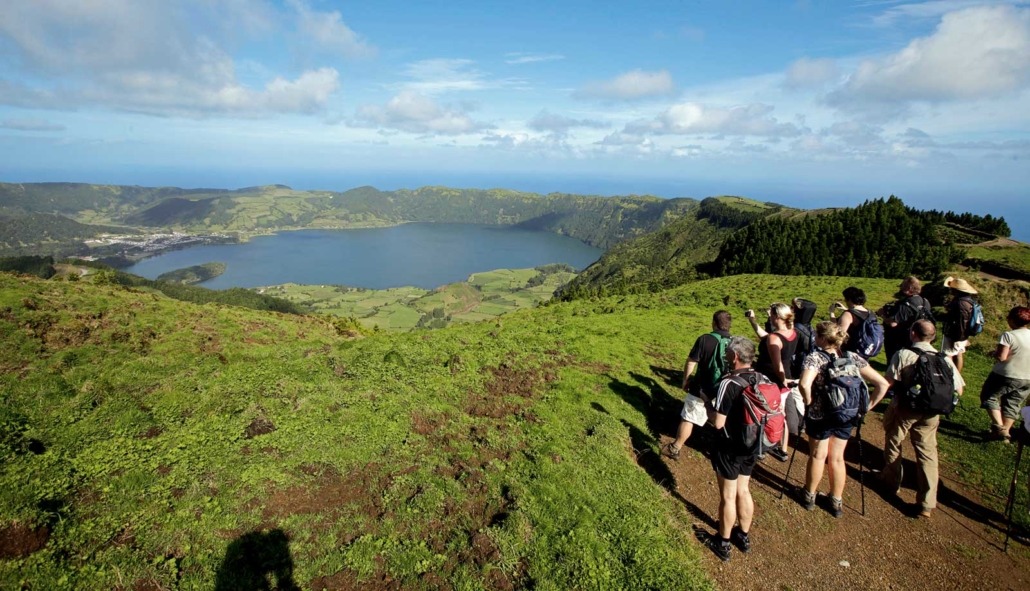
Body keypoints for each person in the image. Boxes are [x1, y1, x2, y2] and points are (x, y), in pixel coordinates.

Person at [798, 321, 890, 517]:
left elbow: (804, 384)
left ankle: (809, 496)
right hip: (847, 415)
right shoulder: (852, 357)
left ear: (822, 338)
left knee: (817, 455)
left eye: (817, 335)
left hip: (820, 415)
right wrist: (865, 408)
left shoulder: (815, 358)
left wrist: (808, 402)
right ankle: (835, 500)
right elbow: (882, 384)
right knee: (838, 457)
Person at [881, 320, 965, 518]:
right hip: (932, 412)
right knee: (927, 452)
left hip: (905, 408)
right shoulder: (944, 359)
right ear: (933, 337)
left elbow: (889, 382)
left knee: (894, 441)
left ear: (912, 334)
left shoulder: (904, 354)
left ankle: (891, 481)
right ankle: (927, 502)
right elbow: (959, 388)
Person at [699, 336, 764, 561]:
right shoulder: (761, 378)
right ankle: (743, 535)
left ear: (734, 357)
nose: (726, 355)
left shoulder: (730, 382)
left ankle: (723, 542)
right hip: (753, 443)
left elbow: (718, 422)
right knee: (743, 490)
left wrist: (707, 403)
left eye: (727, 352)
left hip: (730, 446)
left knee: (727, 495)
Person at [663, 310, 732, 459]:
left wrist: (686, 380)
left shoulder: (705, 339)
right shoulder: (735, 343)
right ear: (729, 325)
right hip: (725, 389)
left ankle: (675, 448)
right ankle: (723, 451)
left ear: (714, 322)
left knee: (688, 418)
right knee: (721, 420)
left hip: (702, 388)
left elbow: (691, 361)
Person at [746, 302, 798, 462]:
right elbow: (766, 337)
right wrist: (753, 321)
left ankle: (762, 445)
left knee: (765, 412)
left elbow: (777, 365)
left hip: (771, 380)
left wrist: (783, 381)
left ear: (776, 316)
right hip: (785, 380)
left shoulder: (775, 338)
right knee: (780, 413)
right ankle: (782, 448)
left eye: (772, 315)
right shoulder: (792, 332)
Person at [980, 306, 1030, 442]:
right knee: (1013, 403)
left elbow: (1002, 357)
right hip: (1027, 377)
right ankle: (1005, 434)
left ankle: (1000, 428)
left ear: (1012, 320)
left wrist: (993, 353)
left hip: (1006, 374)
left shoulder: (1009, 335)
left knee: (989, 396)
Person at [878, 276, 935, 363]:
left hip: (901, 339)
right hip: (918, 337)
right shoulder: (925, 301)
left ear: (909, 288)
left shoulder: (905, 304)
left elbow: (893, 323)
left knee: (896, 362)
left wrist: (883, 315)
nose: (900, 288)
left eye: (902, 286)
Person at [941, 276, 979, 374]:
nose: (950, 290)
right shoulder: (967, 301)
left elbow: (961, 321)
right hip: (962, 333)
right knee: (959, 353)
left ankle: (950, 375)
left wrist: (958, 338)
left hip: (956, 333)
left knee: (948, 354)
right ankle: (957, 375)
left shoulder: (961, 303)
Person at [831, 286, 874, 357]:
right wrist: (846, 309)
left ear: (849, 300)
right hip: (864, 348)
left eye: (845, 299)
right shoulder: (870, 313)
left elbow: (838, 333)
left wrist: (831, 312)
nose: (845, 301)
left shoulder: (848, 314)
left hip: (850, 350)